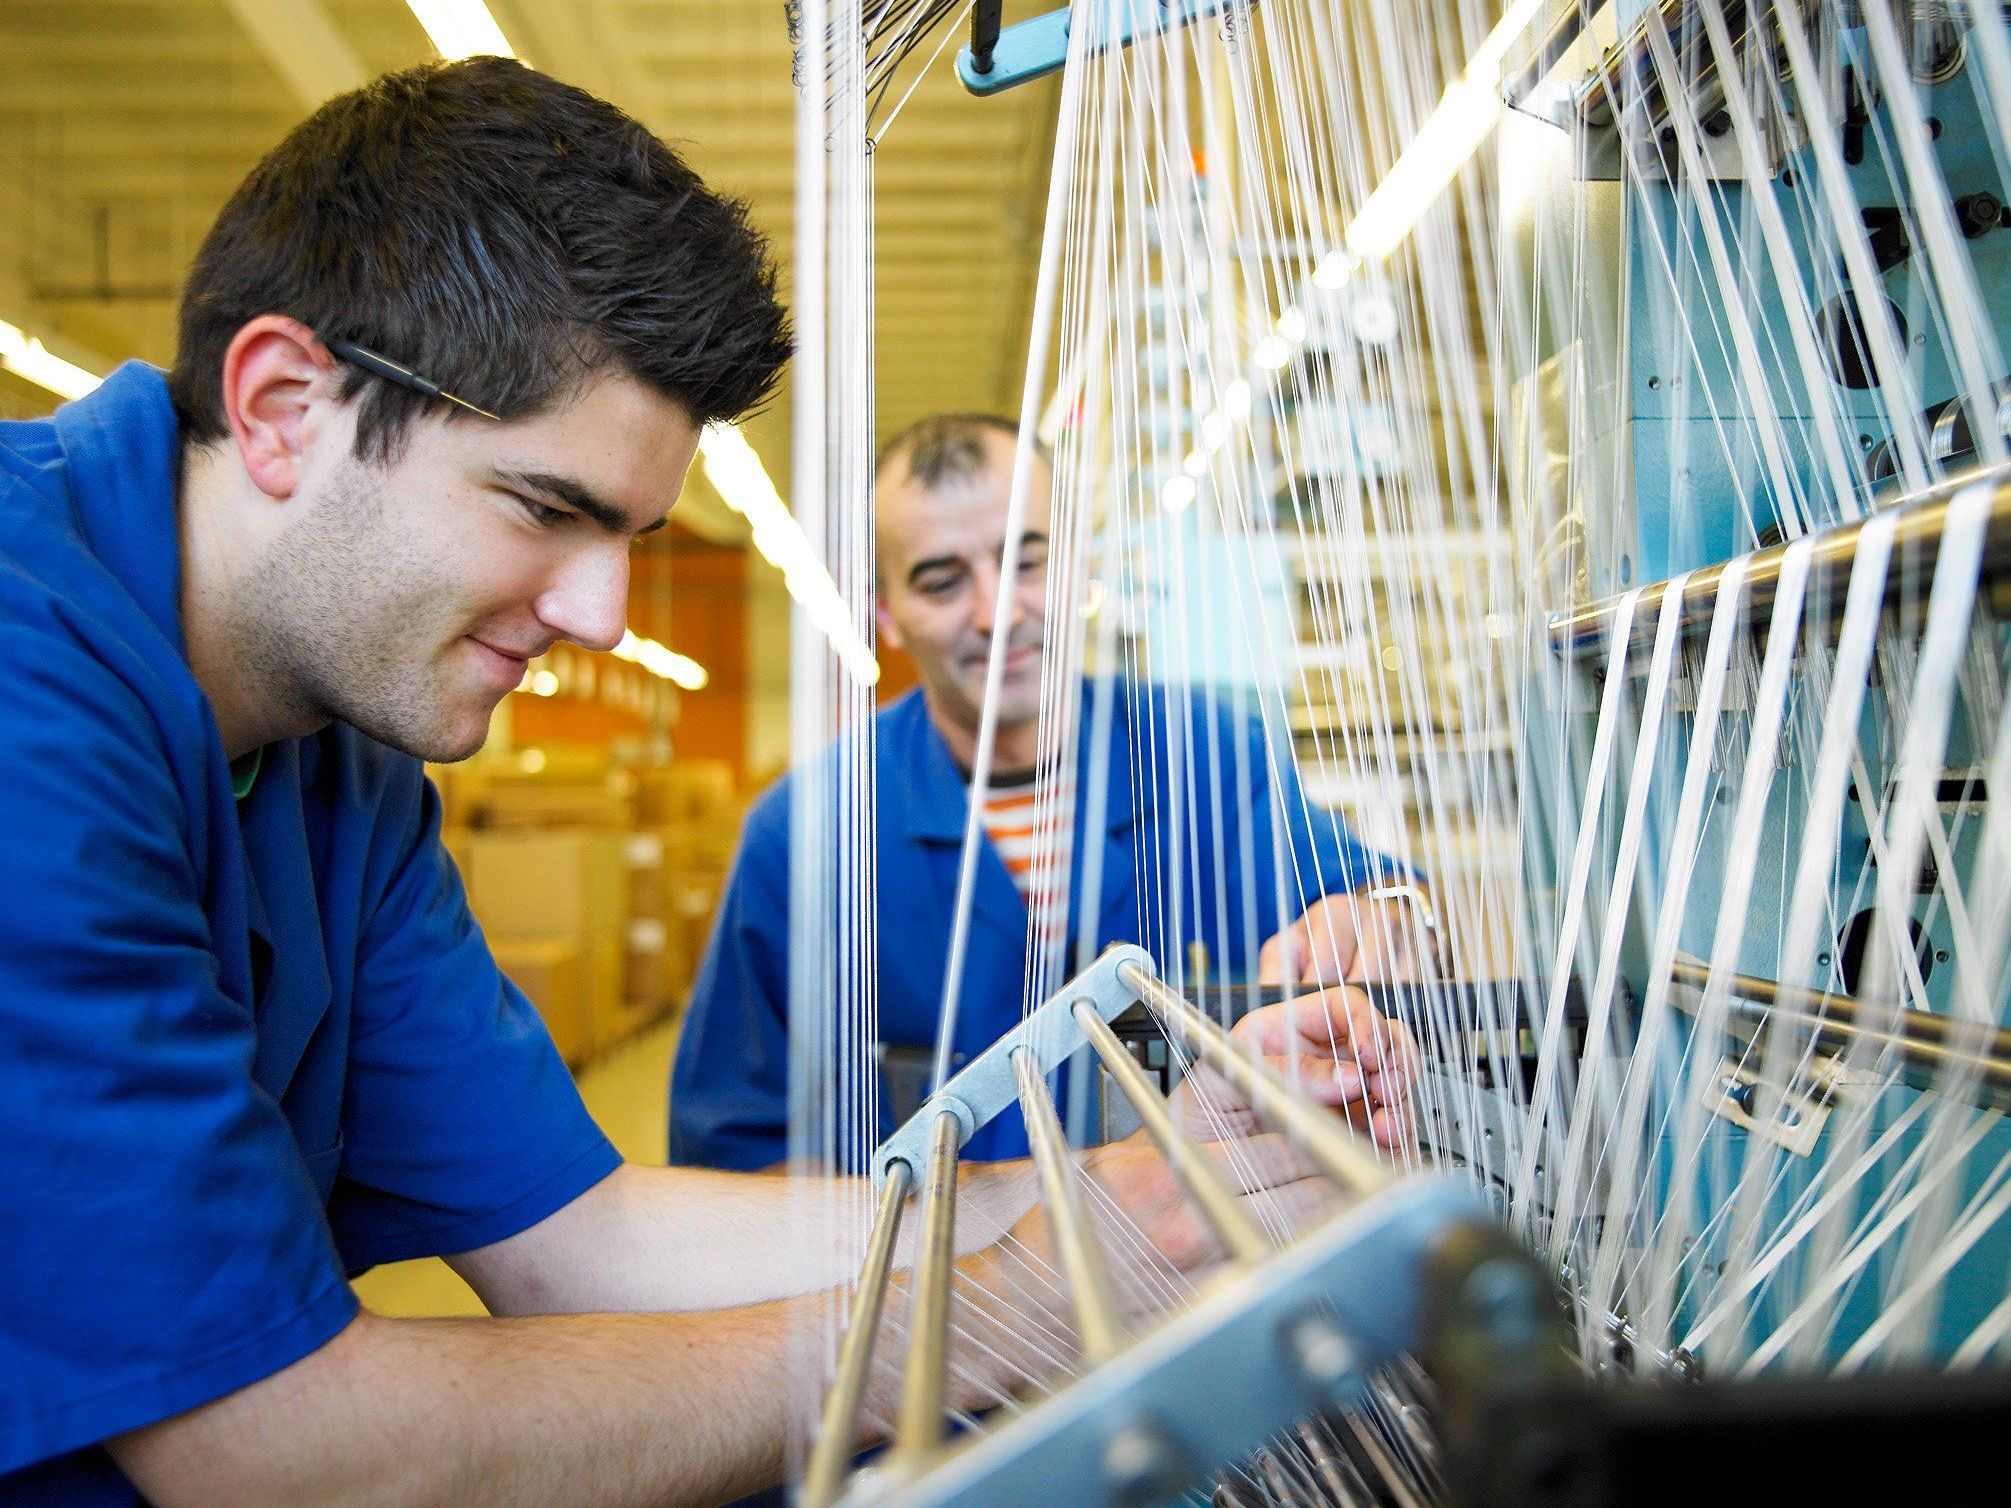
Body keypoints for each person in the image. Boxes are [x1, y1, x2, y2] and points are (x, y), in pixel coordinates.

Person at [0, 60, 1392, 1507]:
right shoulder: (27, 685)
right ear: (284, 405)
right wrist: (1023, 1294)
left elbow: (583, 1241)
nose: (603, 614)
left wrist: (1132, 1191)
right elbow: (276, 1448)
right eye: (545, 508)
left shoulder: (343, 755)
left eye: (633, 537)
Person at [671, 414, 1426, 1174]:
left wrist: (1381, 917)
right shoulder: (810, 834)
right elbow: (730, 1147)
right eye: (941, 581)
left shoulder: (1206, 757)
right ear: (883, 614)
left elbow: (1379, 899)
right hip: (951, 1288)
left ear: (1080, 562)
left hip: (1214, 1271)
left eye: (1027, 562)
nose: (997, 614)